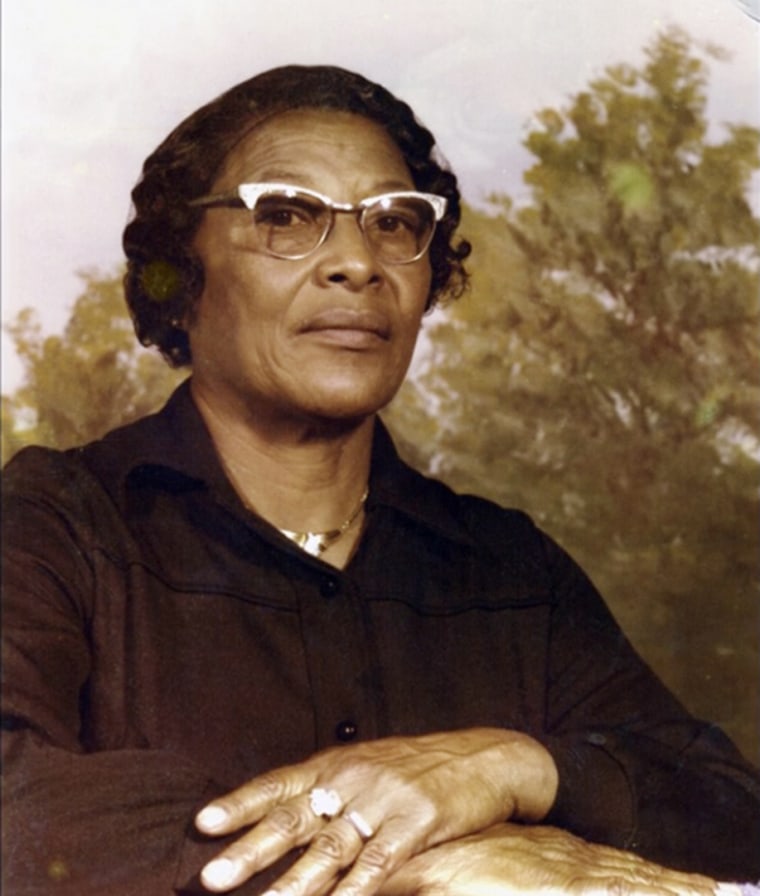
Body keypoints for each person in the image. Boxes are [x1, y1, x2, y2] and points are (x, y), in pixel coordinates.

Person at [2, 64, 759, 896]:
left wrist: (511, 767)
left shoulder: (510, 568)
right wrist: (422, 863)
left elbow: (730, 813)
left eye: (396, 223)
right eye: (286, 215)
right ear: (180, 279)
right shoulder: (56, 523)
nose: (358, 264)